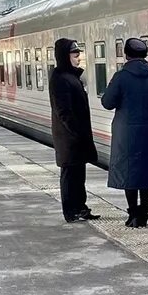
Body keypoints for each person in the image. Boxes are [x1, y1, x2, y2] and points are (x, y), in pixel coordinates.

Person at [101, 37, 148, 228]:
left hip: (125, 133)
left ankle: (132, 215)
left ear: (127, 55)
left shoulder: (120, 77)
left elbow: (107, 103)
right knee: (146, 171)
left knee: (128, 172)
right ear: (145, 55)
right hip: (147, 131)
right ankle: (144, 212)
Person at [49, 38, 100, 223]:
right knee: (70, 176)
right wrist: (77, 133)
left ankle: (81, 207)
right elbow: (63, 112)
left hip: (76, 137)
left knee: (78, 176)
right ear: (65, 56)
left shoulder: (71, 77)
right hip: (69, 138)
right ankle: (71, 211)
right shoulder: (60, 78)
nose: (79, 57)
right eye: (75, 54)